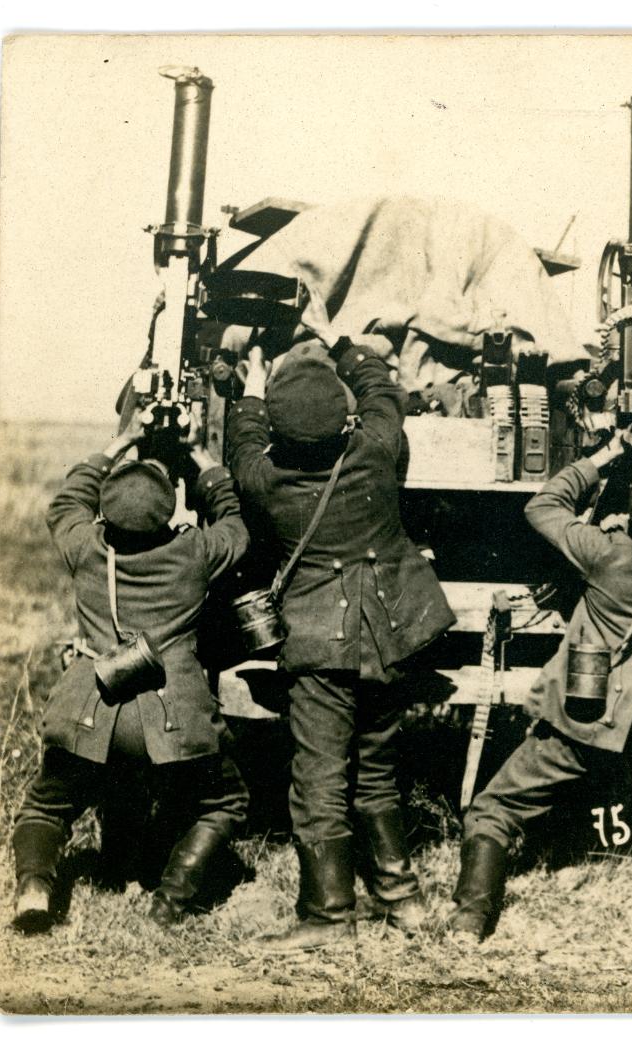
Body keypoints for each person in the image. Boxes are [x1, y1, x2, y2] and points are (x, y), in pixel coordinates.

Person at [448, 434, 632, 942]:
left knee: (497, 806)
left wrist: (599, 460)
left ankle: (471, 919)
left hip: (593, 711)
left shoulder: (603, 553)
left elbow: (544, 505)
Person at [229, 337, 456, 953]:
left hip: (320, 645)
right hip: (390, 635)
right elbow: (387, 395)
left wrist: (253, 380)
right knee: (377, 766)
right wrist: (350, 352)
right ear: (344, 416)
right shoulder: (379, 452)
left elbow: (241, 437)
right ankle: (400, 896)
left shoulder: (265, 480)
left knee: (319, 778)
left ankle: (329, 916)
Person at [10, 412, 251, 933]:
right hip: (170, 721)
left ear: (106, 513)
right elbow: (235, 525)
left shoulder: (86, 548)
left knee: (47, 805)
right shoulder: (192, 552)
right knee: (226, 801)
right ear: (167, 513)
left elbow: (65, 504)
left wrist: (119, 442)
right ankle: (169, 900)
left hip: (89, 710)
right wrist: (206, 462)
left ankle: (33, 887)